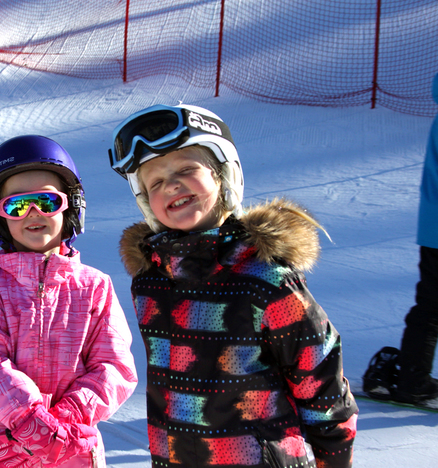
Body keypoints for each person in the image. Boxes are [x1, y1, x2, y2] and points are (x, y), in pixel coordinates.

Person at [108, 104, 358, 467]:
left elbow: (322, 389)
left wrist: (333, 461)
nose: (172, 185)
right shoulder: (151, 284)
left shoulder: (266, 279)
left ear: (224, 176)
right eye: (156, 182)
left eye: (186, 169)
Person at [0, 135, 138, 468]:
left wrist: (65, 421)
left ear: (71, 206)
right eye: (17, 205)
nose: (33, 213)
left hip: (75, 448)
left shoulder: (94, 287)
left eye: (47, 201)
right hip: (6, 449)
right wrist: (31, 422)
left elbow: (114, 368)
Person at [363, 73, 438, 404]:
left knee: (430, 304)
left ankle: (413, 376)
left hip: (432, 229)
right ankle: (414, 379)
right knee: (431, 306)